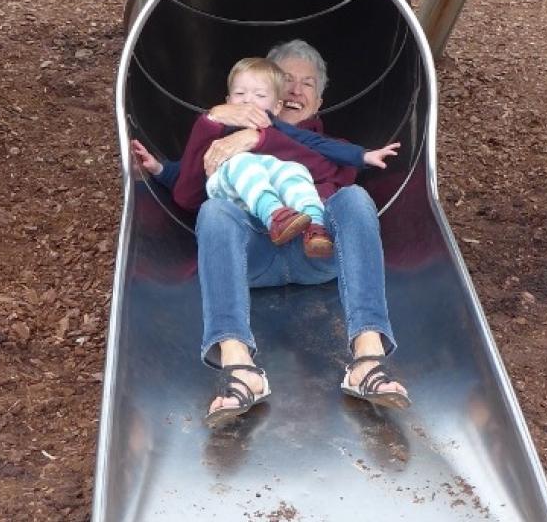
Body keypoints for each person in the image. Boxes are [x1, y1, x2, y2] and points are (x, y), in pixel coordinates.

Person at [132, 39, 411, 428]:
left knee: (354, 200)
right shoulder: (223, 140)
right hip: (253, 256)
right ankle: (238, 366)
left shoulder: (336, 148)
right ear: (273, 95)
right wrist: (211, 122)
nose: (297, 90)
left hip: (317, 251)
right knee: (215, 210)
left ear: (320, 98)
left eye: (308, 83)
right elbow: (189, 195)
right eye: (287, 80)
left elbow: (319, 162)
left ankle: (368, 356)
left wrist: (260, 138)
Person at [134, 56, 400, 259]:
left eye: (259, 95)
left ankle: (314, 226)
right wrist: (160, 169)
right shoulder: (218, 133)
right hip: (246, 229)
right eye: (240, 94)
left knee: (292, 174)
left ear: (276, 106)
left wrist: (363, 155)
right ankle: (275, 215)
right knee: (242, 163)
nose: (248, 100)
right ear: (227, 100)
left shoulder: (277, 128)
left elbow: (315, 145)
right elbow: (186, 177)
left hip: (304, 250)